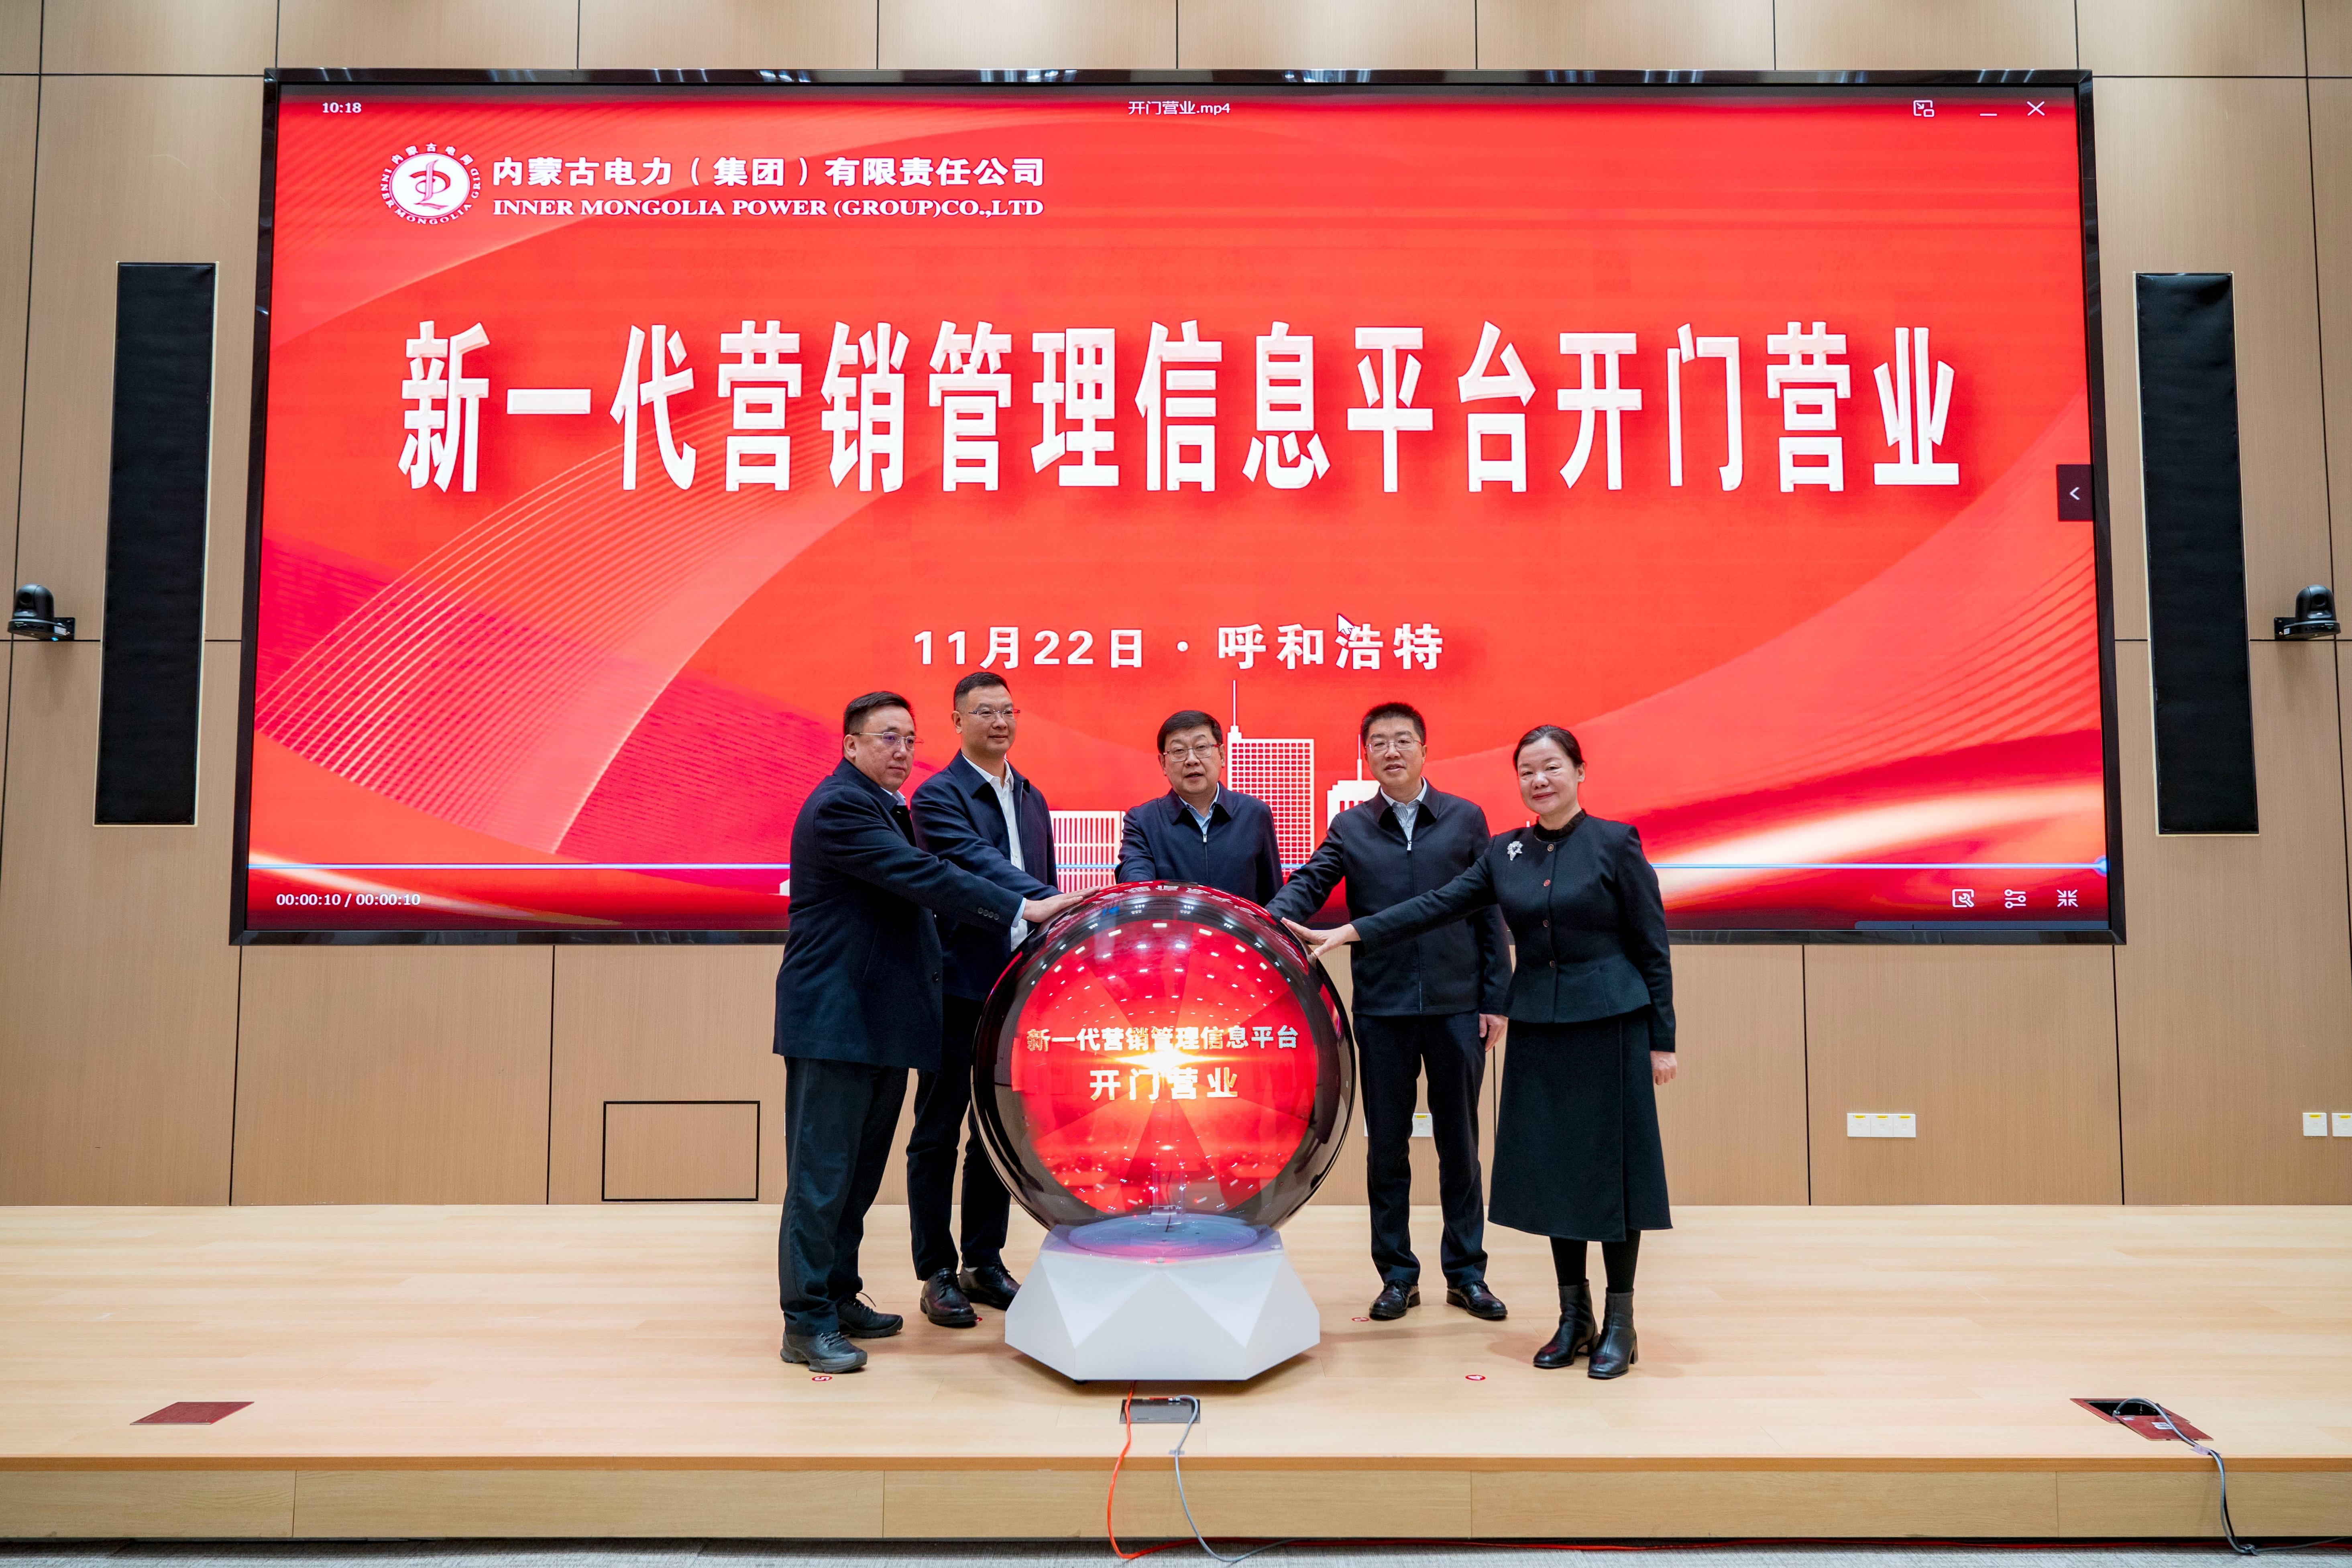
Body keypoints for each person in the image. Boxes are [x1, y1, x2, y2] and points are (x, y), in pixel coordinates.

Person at [1287, 724, 1676, 1379]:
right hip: (1541, 1028)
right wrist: (1349, 932)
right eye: (1527, 771)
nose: (1539, 780)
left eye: (1551, 767)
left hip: (1609, 1025)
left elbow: (1651, 946)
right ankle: (1572, 1316)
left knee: (1608, 1173)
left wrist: (1662, 1040)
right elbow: (1434, 905)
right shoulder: (1506, 852)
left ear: (1578, 771)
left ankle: (1619, 1319)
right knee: (1555, 1173)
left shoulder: (1615, 842)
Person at [772, 691, 1079, 1374]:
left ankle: (839, 1294)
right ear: (850, 745)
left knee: (854, 1177)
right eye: (887, 738)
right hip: (833, 1021)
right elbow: (922, 874)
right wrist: (1021, 906)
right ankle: (806, 1320)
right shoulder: (841, 806)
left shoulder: (886, 806)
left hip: (877, 1021)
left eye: (909, 739)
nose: (902, 750)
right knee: (821, 1178)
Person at [1267, 702, 1513, 1325]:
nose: (1391, 751)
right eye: (1378, 742)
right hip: (1382, 1008)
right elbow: (1309, 883)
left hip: (1458, 1006)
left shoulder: (1464, 819)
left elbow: (1488, 913)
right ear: (1366, 755)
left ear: (1425, 750)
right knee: (1386, 1148)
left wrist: (1495, 998)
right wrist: (1264, 922)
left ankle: (1467, 1273)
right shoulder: (1350, 827)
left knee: (1460, 1145)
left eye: (1403, 740)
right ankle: (1397, 1275)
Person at [906, 672, 1060, 1329]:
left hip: (1016, 986)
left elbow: (1043, 880)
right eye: (984, 712)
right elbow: (974, 864)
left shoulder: (1030, 794)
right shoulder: (937, 795)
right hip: (955, 983)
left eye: (1007, 710)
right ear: (957, 721)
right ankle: (936, 1271)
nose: (999, 722)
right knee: (937, 1131)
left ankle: (983, 1260)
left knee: (996, 1132)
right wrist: (1043, 900)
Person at [1115, 710, 1283, 904]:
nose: (1192, 760)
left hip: (1240, 925)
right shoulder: (1143, 821)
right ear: (1163, 764)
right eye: (1179, 751)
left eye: (1202, 747)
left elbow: (1273, 897)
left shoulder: (1254, 813)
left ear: (1222, 755)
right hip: (1170, 925)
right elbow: (1136, 886)